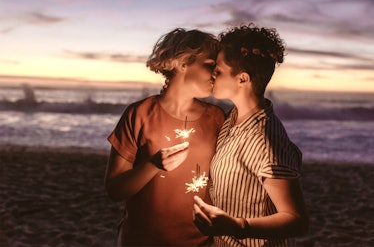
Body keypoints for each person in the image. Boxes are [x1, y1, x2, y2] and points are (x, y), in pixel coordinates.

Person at [105, 28, 225, 246]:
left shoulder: (216, 118)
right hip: (141, 240)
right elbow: (115, 190)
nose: (216, 73)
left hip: (200, 242)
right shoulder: (139, 114)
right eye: (209, 65)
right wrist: (153, 164)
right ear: (182, 63)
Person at [193, 23, 309, 247]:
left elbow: (297, 221)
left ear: (242, 79)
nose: (212, 75)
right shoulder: (232, 117)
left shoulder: (263, 140)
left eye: (219, 71)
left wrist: (237, 226)